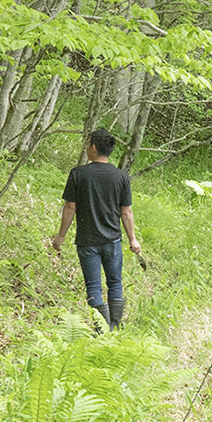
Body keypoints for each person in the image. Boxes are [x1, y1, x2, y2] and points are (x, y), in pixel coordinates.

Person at [46, 128, 142, 327]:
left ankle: (102, 331)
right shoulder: (121, 177)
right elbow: (126, 211)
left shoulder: (78, 174)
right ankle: (114, 328)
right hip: (113, 241)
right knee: (115, 283)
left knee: (93, 288)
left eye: (88, 144)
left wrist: (60, 237)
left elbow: (70, 207)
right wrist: (132, 238)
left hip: (87, 241)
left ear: (94, 148)